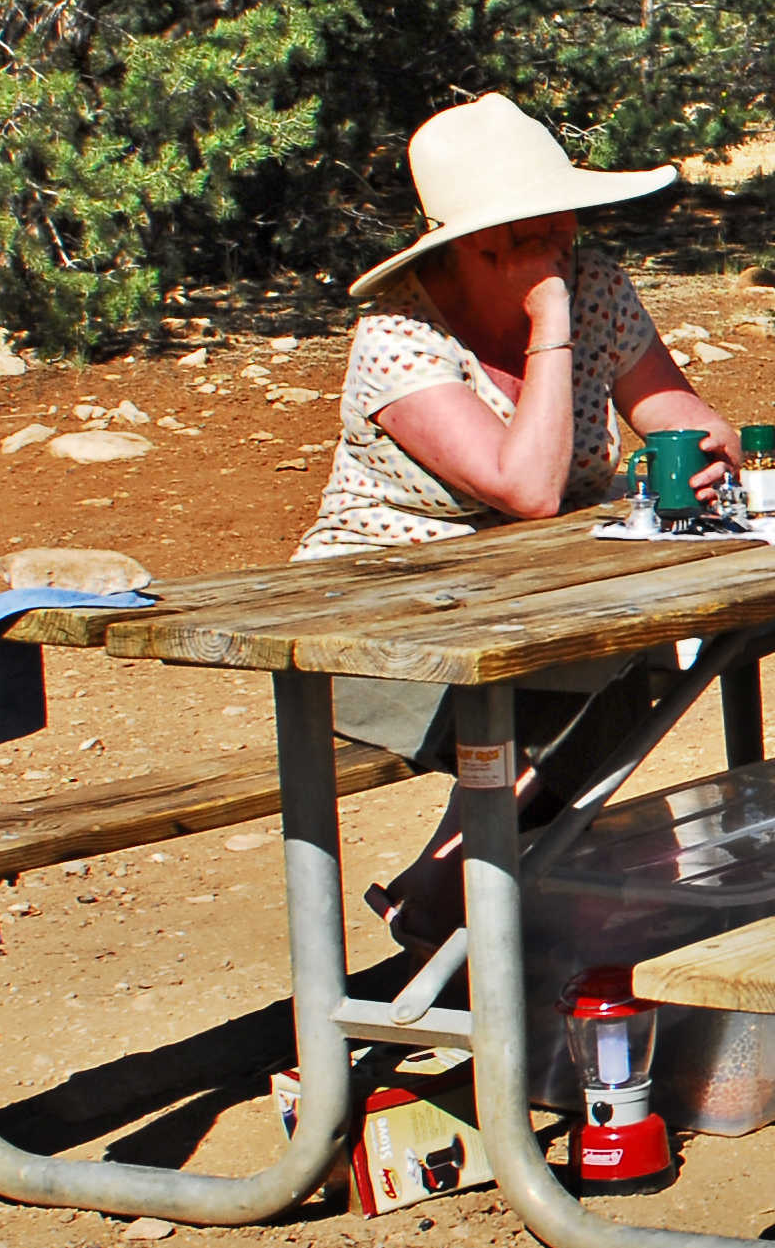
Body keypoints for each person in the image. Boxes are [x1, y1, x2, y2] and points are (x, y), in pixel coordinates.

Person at [304, 93, 747, 944]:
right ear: (475, 244)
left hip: (542, 599)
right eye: (533, 227)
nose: (560, 240)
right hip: (384, 621)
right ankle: (457, 903)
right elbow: (528, 488)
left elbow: (675, 414)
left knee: (655, 653)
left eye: (559, 219)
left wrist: (706, 445)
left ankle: (452, 900)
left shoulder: (595, 282)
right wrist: (551, 326)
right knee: (613, 663)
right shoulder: (399, 336)